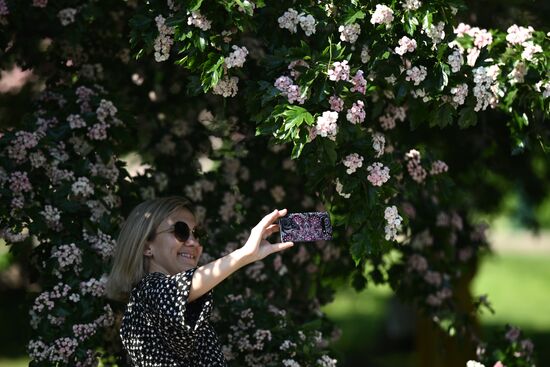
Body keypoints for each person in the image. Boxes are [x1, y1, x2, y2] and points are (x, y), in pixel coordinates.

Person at [105, 196, 294, 366]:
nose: (193, 242)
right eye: (180, 231)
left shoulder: (177, 307)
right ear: (147, 246)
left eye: (198, 234)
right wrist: (244, 254)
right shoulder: (146, 293)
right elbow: (176, 289)